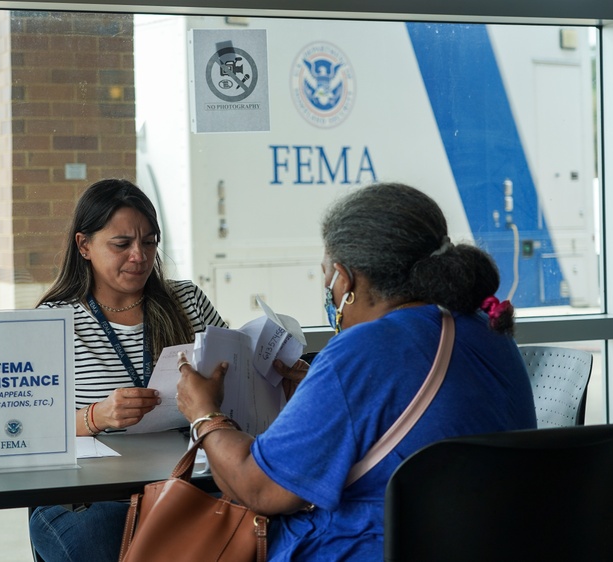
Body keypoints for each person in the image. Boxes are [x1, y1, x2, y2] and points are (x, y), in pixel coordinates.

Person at [176, 182, 537, 561]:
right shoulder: (486, 328)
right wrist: (324, 395)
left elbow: (257, 489)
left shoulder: (364, 349)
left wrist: (204, 413)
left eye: (326, 278)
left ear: (344, 279)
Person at [29, 178, 227, 562]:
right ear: (84, 246)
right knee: (108, 539)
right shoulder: (55, 321)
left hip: (185, 482)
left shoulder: (186, 300)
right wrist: (96, 416)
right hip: (90, 499)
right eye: (121, 245)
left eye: (150, 242)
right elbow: (27, 426)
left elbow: (232, 372)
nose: (140, 255)